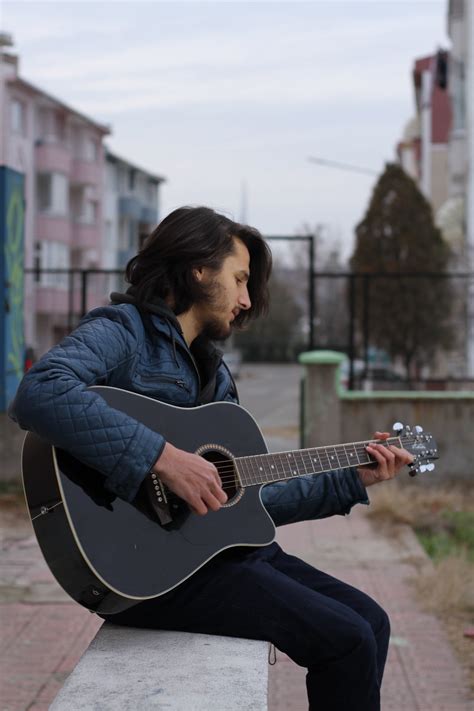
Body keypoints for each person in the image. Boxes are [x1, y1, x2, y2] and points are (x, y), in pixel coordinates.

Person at [9, 206, 413, 710]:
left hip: (218, 556)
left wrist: (351, 481)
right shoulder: (124, 330)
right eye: (240, 279)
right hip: (150, 569)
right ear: (198, 268)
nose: (246, 300)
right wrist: (160, 457)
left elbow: (246, 502)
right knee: (345, 639)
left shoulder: (215, 376)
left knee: (371, 621)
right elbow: (40, 391)